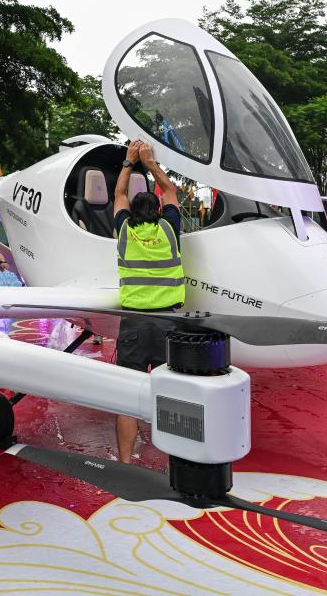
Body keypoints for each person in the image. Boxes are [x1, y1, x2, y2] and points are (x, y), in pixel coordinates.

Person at [112, 140, 184, 464]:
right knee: (171, 397)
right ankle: (174, 464)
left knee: (128, 397)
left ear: (131, 214)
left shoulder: (125, 233)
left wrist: (129, 162)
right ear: (158, 212)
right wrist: (150, 163)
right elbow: (170, 191)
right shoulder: (169, 231)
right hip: (169, 324)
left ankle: (126, 464)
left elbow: (119, 195)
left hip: (134, 324)